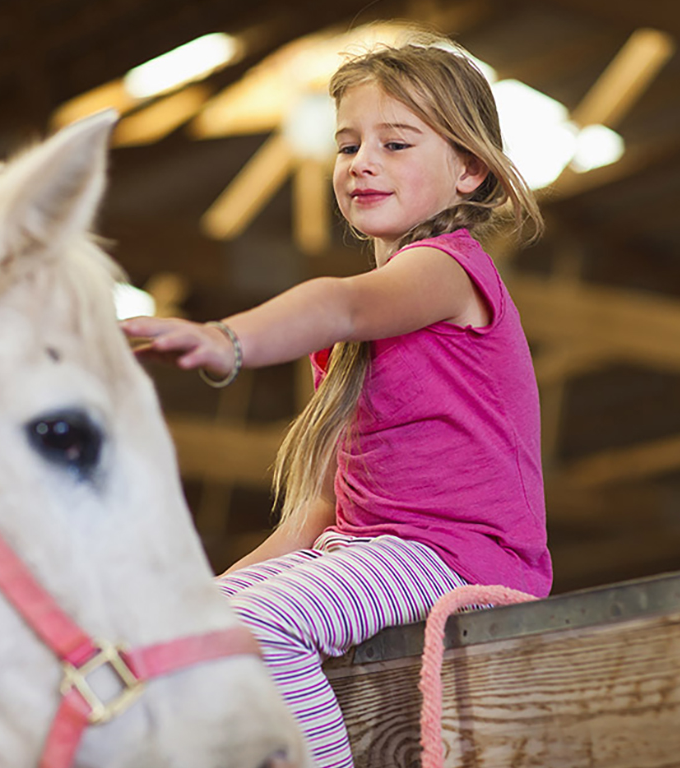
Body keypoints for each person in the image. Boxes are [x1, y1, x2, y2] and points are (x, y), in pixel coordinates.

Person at [121, 31, 552, 768]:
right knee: (200, 629)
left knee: (257, 629)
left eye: (396, 143)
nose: (362, 165)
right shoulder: (354, 346)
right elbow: (317, 513)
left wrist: (228, 340)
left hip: (455, 557)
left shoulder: (448, 273)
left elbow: (341, 304)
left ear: (470, 169)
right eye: (349, 146)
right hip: (369, 550)